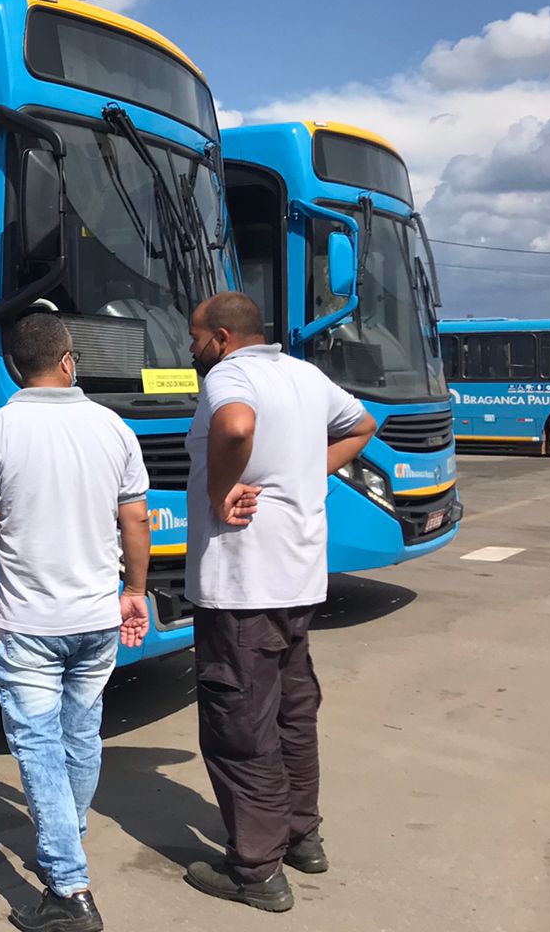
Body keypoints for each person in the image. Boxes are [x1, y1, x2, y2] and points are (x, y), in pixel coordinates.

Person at [182, 291, 377, 912]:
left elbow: (236, 426)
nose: (191, 351)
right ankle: (303, 836)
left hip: (242, 585)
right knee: (294, 711)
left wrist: (219, 491)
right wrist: (306, 470)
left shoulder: (230, 375)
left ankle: (257, 871)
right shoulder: (304, 375)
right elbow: (364, 424)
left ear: (219, 336)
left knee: (241, 722)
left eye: (193, 339)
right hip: (298, 580)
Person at [0, 312, 153, 932]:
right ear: (68, 361)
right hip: (97, 619)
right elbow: (136, 520)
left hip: (30, 623)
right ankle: (70, 839)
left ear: (16, 366)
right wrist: (137, 591)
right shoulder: (113, 427)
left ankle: (69, 890)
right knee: (82, 736)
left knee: (40, 747)